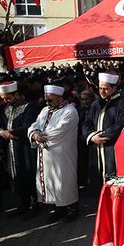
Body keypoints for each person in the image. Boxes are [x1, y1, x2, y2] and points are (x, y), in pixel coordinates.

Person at [28, 85, 79, 223]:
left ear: (60, 98)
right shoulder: (45, 110)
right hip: (45, 153)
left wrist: (40, 136)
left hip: (63, 153)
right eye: (46, 100)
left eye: (50, 100)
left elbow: (59, 131)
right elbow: (35, 124)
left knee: (64, 180)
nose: (47, 103)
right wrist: (34, 133)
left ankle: (72, 208)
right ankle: (58, 209)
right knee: (51, 181)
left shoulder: (70, 111)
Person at [0, 81, 40, 219]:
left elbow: (29, 126)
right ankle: (23, 204)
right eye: (3, 97)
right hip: (11, 148)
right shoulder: (4, 108)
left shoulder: (29, 107)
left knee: (29, 174)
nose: (5, 100)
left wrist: (11, 132)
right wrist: (0, 132)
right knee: (16, 176)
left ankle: (35, 205)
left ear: (16, 94)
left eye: (8, 97)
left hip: (25, 148)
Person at [83, 72, 124, 192]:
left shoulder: (122, 103)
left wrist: (103, 136)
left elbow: (121, 123)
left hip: (111, 148)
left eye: (105, 89)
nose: (102, 91)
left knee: (112, 180)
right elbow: (86, 123)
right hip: (96, 148)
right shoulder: (96, 104)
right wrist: (91, 136)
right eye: (100, 88)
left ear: (114, 88)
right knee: (96, 181)